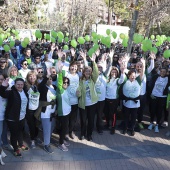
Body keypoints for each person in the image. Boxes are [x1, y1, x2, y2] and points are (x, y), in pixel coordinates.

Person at [0, 78, 29, 157]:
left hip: (22, 116)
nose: (20, 86)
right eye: (18, 84)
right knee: (14, 134)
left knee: (20, 131)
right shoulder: (11, 92)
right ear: (15, 84)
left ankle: (20, 144)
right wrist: (3, 86)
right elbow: (2, 94)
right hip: (12, 117)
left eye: (21, 84)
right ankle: (15, 149)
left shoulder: (25, 91)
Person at [76, 54, 98, 141]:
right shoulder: (81, 81)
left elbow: (96, 72)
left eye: (89, 71)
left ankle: (89, 134)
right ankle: (82, 133)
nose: (88, 73)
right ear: (84, 72)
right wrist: (78, 93)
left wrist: (93, 62)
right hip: (83, 104)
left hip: (92, 104)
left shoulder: (93, 79)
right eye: (86, 71)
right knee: (83, 121)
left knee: (91, 121)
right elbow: (79, 90)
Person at [104, 56, 126, 134]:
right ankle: (107, 124)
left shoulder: (117, 80)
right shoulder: (107, 79)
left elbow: (122, 80)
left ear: (117, 73)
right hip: (106, 99)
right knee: (106, 113)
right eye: (113, 72)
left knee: (113, 114)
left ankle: (113, 127)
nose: (114, 73)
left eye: (115, 72)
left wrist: (122, 71)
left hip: (114, 99)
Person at [122, 62, 143, 136]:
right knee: (126, 116)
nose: (133, 77)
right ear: (128, 76)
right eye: (131, 76)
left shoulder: (138, 81)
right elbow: (123, 71)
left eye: (134, 76)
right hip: (127, 102)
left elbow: (141, 74)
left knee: (134, 117)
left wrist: (142, 65)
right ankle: (125, 128)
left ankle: (132, 129)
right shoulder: (125, 81)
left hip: (135, 103)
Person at [38, 73, 57, 154]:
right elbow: (41, 85)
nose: (50, 80)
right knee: (47, 129)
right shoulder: (43, 88)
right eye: (49, 79)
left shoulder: (54, 87)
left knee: (51, 127)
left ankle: (47, 139)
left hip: (53, 112)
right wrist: (47, 76)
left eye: (51, 79)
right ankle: (46, 145)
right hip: (45, 112)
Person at [148, 67, 170, 133]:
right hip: (154, 96)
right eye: (161, 71)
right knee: (152, 110)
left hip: (162, 97)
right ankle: (151, 123)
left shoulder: (168, 78)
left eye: (164, 72)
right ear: (159, 72)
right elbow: (150, 85)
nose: (162, 73)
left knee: (159, 111)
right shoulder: (155, 77)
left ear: (166, 73)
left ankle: (157, 125)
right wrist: (150, 94)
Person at [56, 61, 71, 151]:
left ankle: (62, 140)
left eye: (67, 83)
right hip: (62, 113)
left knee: (65, 128)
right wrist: (60, 72)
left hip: (68, 112)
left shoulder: (66, 90)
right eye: (64, 83)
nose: (65, 84)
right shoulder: (60, 90)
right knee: (63, 128)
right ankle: (60, 143)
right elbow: (60, 81)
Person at [25, 71, 41, 148]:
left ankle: (35, 137)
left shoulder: (38, 85)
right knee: (31, 125)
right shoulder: (26, 86)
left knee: (37, 124)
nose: (32, 78)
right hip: (29, 109)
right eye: (30, 76)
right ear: (28, 78)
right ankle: (32, 140)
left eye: (34, 76)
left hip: (37, 109)